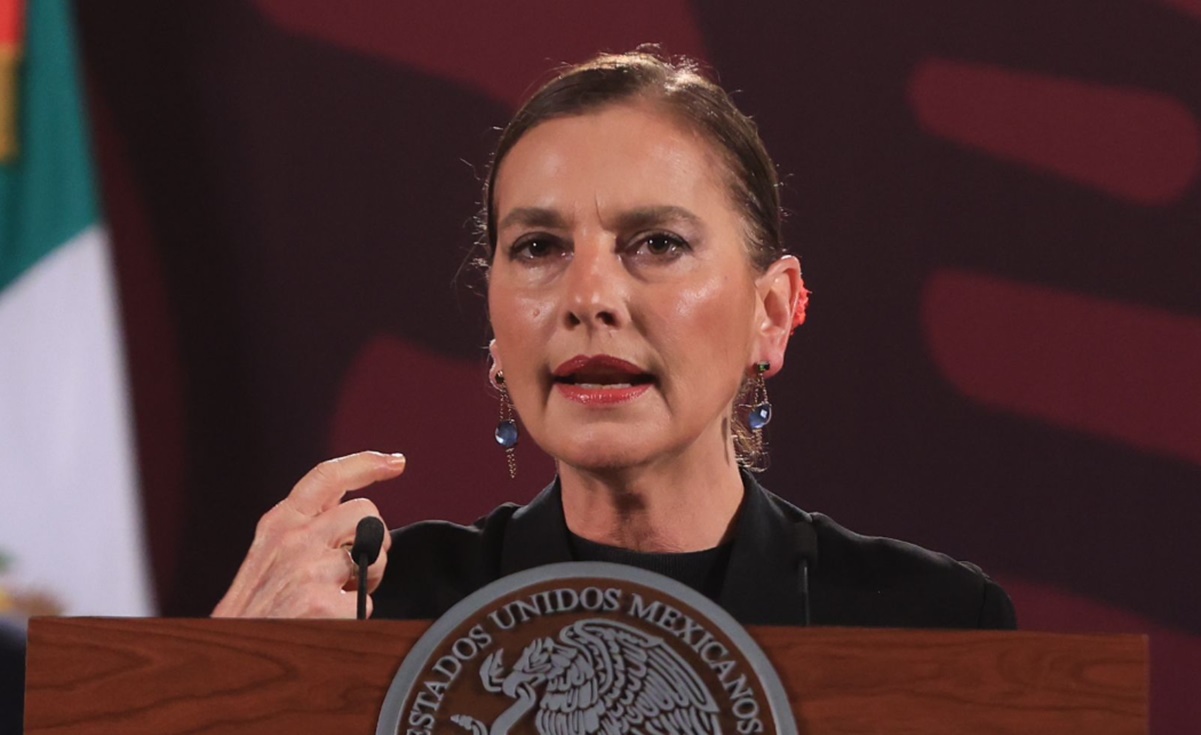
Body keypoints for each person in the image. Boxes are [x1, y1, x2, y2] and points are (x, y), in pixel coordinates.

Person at [214, 50, 1016, 629]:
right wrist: (225, 671)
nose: (587, 298)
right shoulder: (372, 609)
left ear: (771, 312)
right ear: (494, 329)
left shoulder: (931, 621)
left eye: (657, 243)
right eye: (538, 248)